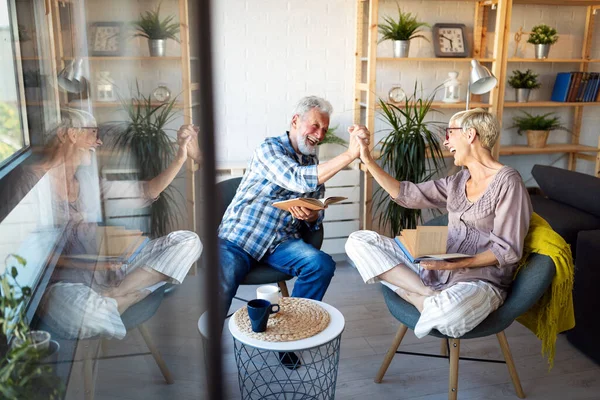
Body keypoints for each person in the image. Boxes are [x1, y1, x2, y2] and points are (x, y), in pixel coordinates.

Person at [345, 108, 532, 338]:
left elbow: (508, 250)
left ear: (470, 134)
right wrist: (367, 159)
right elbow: (408, 194)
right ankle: (425, 294)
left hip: (479, 281)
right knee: (358, 242)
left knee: (449, 316)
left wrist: (459, 264)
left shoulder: (508, 182)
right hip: (436, 272)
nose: (445, 142)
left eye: (449, 133)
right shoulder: (458, 180)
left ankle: (415, 297)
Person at [37, 108, 202, 340]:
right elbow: (33, 260)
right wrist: (93, 264)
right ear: (71, 135)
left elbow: (146, 191)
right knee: (84, 315)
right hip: (65, 285)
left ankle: (115, 296)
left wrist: (180, 158)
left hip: (107, 276)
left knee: (189, 241)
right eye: (93, 133)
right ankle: (130, 297)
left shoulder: (88, 183)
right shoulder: (36, 186)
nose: (99, 141)